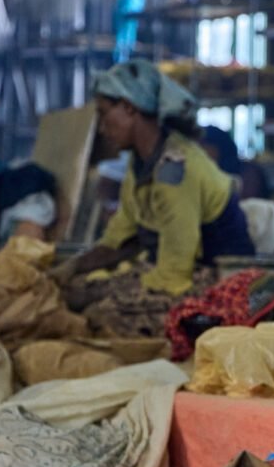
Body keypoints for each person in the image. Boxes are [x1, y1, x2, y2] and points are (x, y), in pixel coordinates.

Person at [58, 60, 254, 296]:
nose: (101, 128)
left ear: (129, 108)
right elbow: (119, 241)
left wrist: (116, 291)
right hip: (180, 272)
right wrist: (73, 267)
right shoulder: (140, 165)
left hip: (220, 282)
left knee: (103, 308)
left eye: (103, 114)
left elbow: (175, 272)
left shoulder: (174, 168)